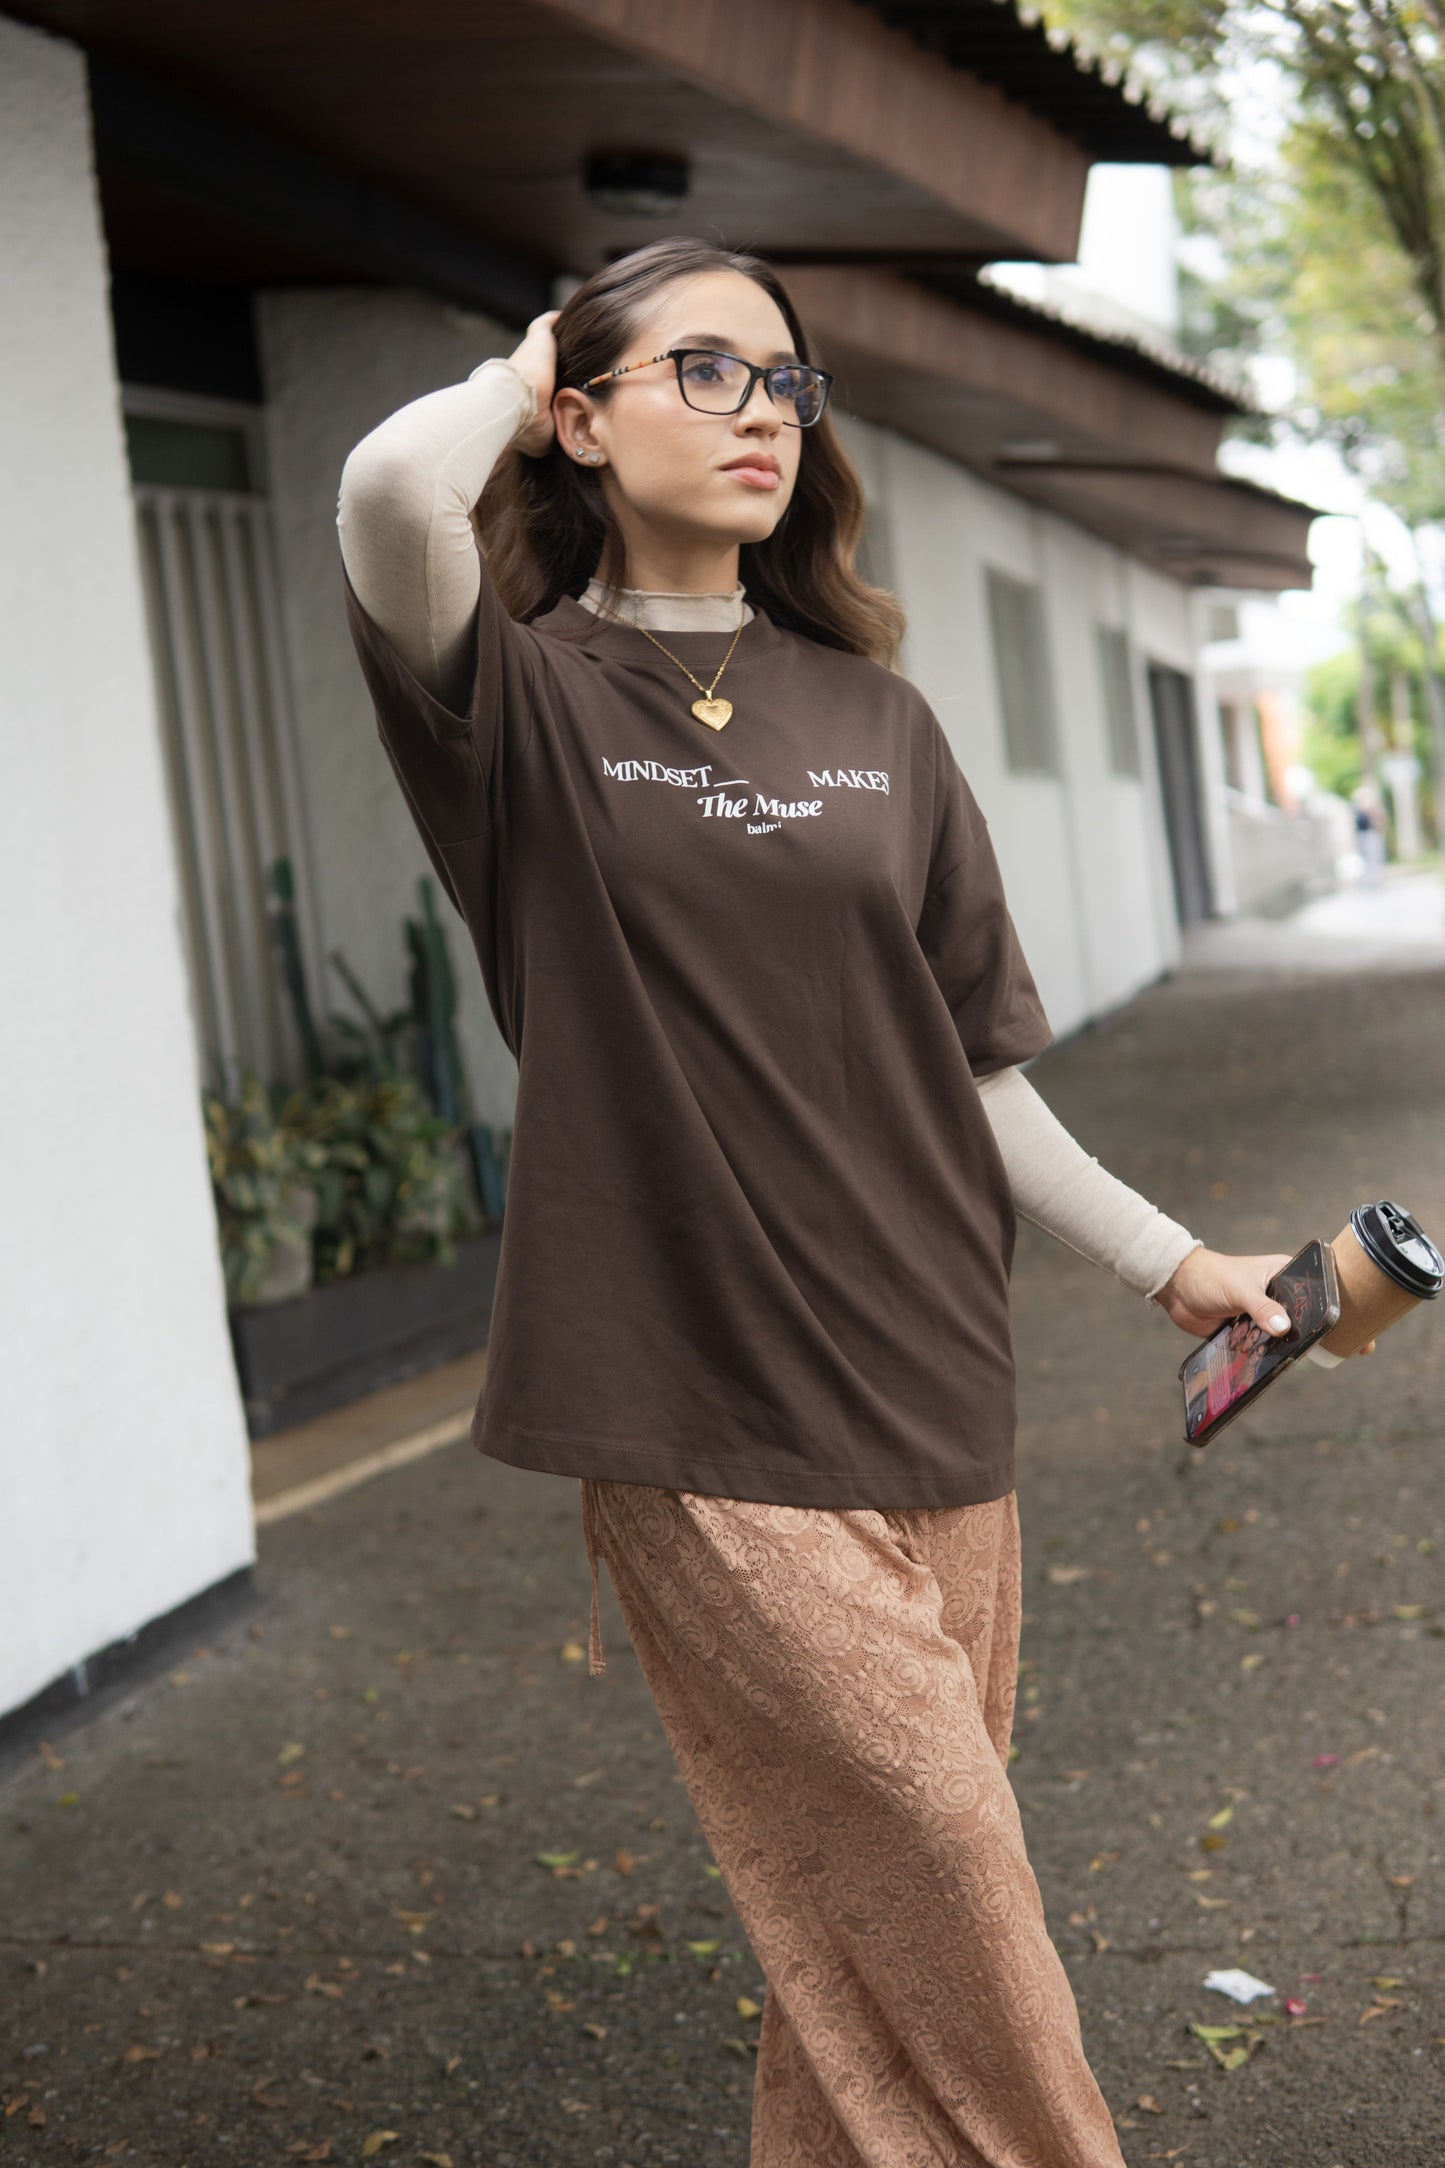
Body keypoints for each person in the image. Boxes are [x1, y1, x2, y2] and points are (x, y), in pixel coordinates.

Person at [336, 237, 1367, 2167]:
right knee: (945, 1852)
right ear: (578, 417)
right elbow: (394, 489)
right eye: (705, 372)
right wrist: (530, 364)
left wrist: (1170, 1263)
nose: (764, 415)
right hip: (690, 1389)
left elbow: (973, 1075)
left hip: (929, 1370)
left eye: (787, 383)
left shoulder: (879, 725)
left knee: (871, 1927)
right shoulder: (515, 699)